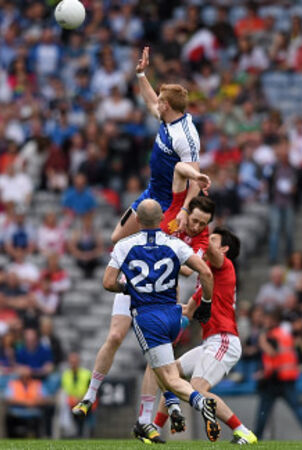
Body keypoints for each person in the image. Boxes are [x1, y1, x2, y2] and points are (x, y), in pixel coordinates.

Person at [71, 163, 211, 423]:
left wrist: (171, 252)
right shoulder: (170, 211)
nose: (196, 227)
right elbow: (180, 168)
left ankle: (147, 418)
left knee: (156, 358)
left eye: (202, 224)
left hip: (162, 296)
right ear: (187, 211)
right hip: (134, 284)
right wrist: (195, 177)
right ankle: (90, 395)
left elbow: (187, 271)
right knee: (115, 336)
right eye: (194, 220)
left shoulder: (198, 239)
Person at [98, 199, 218, 443]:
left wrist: (128, 287)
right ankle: (148, 421)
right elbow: (205, 272)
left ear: (138, 220)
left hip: (148, 317)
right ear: (162, 220)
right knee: (159, 368)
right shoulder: (175, 244)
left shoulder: (125, 245)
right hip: (173, 315)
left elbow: (108, 282)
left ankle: (200, 402)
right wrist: (206, 303)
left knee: (169, 377)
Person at [150, 227, 258, 445]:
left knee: (198, 389)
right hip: (211, 342)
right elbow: (187, 311)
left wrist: (196, 228)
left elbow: (207, 247)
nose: (207, 242)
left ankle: (243, 432)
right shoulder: (205, 279)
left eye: (213, 239)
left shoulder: (224, 265)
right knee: (169, 374)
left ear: (224, 249)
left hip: (224, 339)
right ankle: (154, 430)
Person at [110, 47, 201, 244]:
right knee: (117, 238)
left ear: (166, 105)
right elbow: (151, 101)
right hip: (152, 193)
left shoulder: (185, 136)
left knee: (157, 250)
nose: (156, 103)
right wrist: (141, 74)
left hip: (171, 204)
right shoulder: (167, 118)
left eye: (160, 101)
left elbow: (195, 181)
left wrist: (185, 210)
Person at [254, 309, 302, 440]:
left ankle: (257, 435)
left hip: (275, 378)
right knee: (297, 407)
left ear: (273, 320)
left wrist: (262, 342)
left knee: (263, 410)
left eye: (266, 318)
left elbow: (273, 353)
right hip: (288, 377)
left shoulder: (270, 336)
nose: (264, 321)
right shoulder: (284, 333)